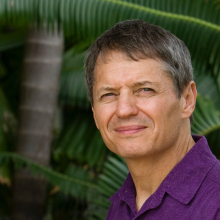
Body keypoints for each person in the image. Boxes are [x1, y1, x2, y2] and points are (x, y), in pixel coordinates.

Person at [85, 20, 220, 219]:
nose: (123, 110)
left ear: (187, 100)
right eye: (109, 95)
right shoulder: (120, 208)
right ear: (95, 113)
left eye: (145, 90)